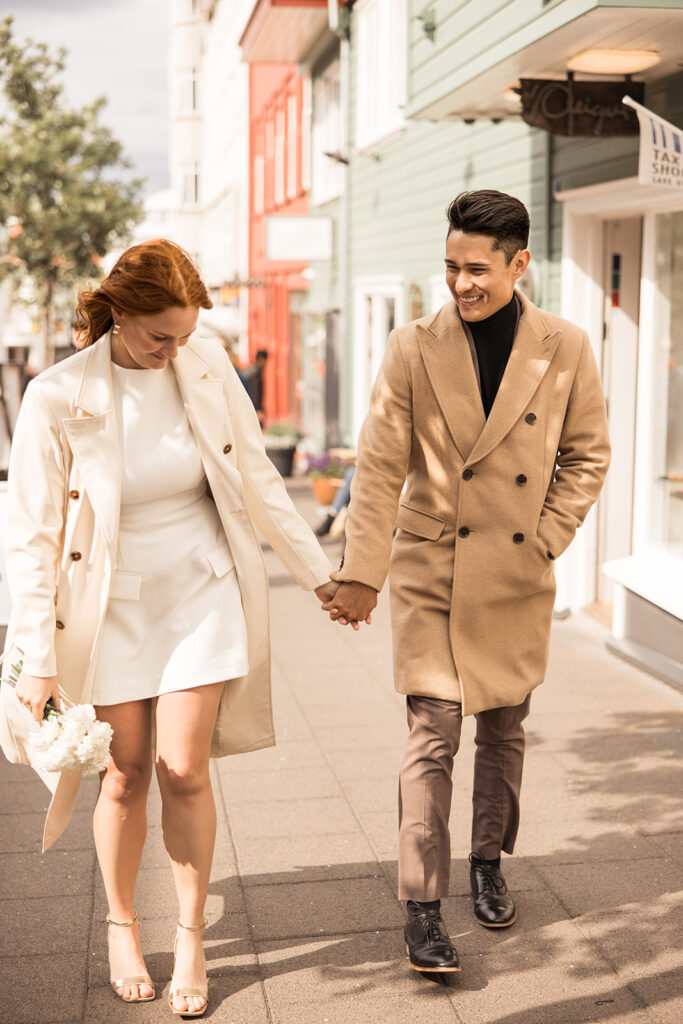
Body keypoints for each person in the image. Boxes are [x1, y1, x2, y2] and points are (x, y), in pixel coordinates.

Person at [0, 239, 337, 1016]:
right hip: (109, 605)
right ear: (118, 314)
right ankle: (123, 924)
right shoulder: (57, 395)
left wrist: (323, 577)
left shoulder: (206, 364)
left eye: (185, 335)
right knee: (125, 774)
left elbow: (256, 476)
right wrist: (39, 660)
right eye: (160, 336)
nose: (173, 351)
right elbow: (30, 536)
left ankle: (188, 933)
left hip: (201, 590)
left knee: (184, 766)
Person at [322, 190, 610, 974]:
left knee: (504, 733)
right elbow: (380, 468)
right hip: (432, 571)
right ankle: (421, 906)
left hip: (514, 571)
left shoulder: (565, 346)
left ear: (519, 264)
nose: (460, 284)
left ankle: (486, 863)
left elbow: (586, 456)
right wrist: (360, 573)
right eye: (450, 267)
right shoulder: (412, 346)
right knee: (432, 736)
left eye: (476, 269)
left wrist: (544, 538)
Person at [242, 348, 269, 424]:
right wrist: (257, 409)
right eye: (265, 360)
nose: (266, 363)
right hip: (251, 408)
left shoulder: (249, 370)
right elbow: (255, 392)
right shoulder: (256, 373)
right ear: (261, 359)